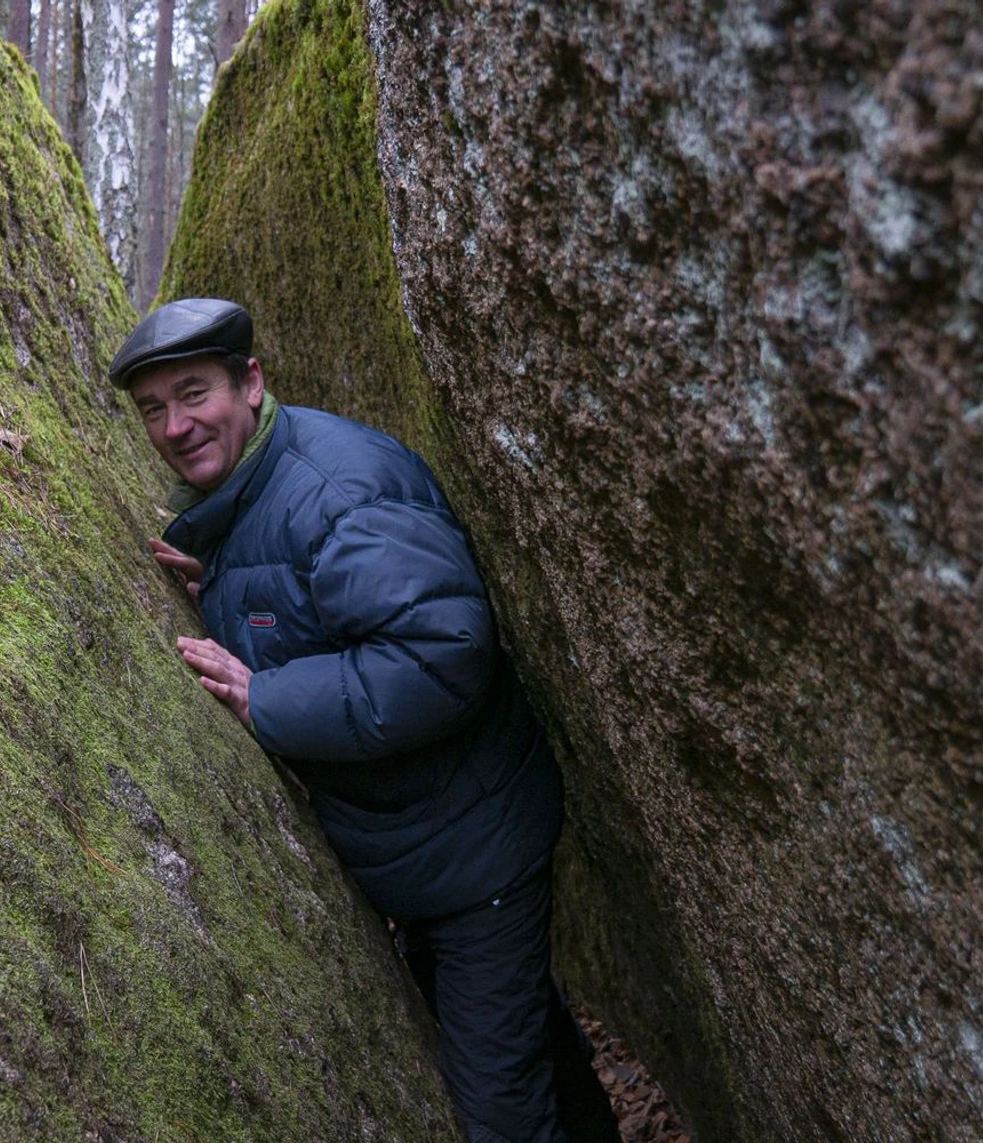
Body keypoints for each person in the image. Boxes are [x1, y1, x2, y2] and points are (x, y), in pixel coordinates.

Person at [111, 298, 619, 1143]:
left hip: (474, 851)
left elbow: (440, 654)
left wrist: (266, 697)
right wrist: (223, 584)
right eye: (153, 409)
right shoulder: (254, 488)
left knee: (498, 1109)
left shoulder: (337, 489)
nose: (174, 426)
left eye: (194, 393)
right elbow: (319, 600)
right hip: (422, 845)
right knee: (529, 1050)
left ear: (250, 382)